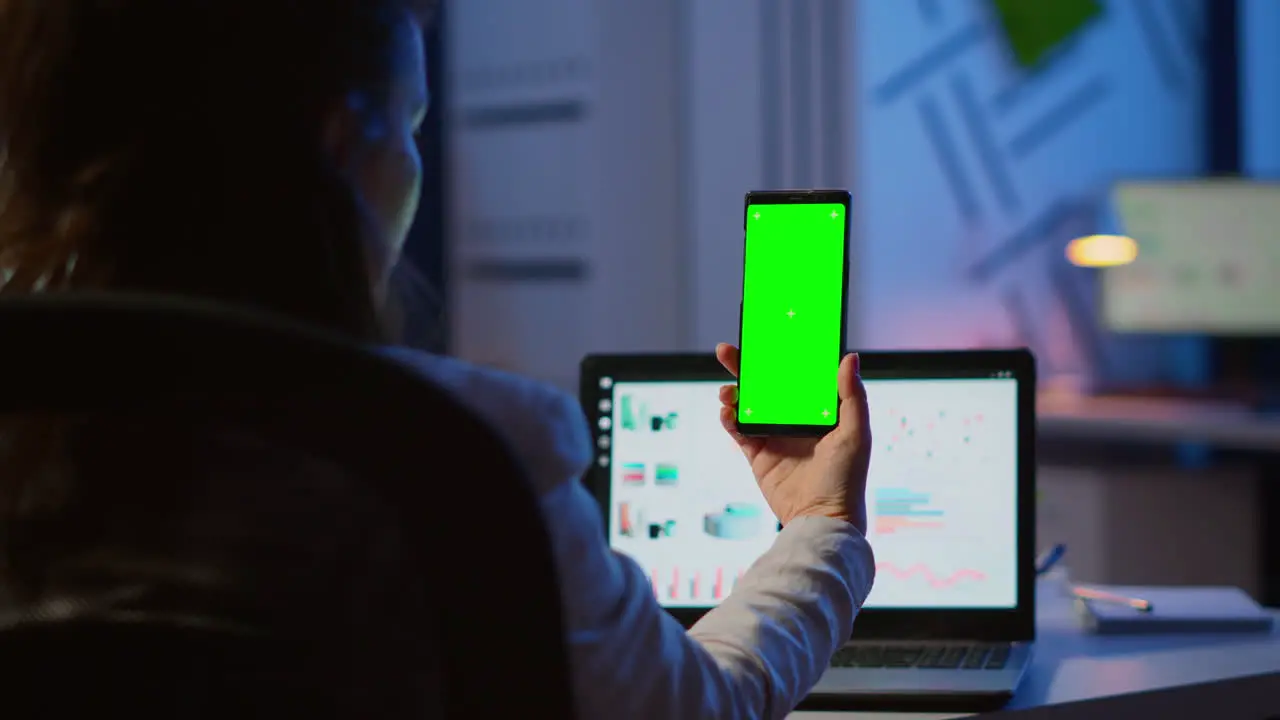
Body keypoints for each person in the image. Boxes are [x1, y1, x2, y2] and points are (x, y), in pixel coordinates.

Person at [0, 1, 876, 717]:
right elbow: (693, 713)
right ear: (344, 148)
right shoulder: (461, 453)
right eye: (412, 124)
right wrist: (821, 528)